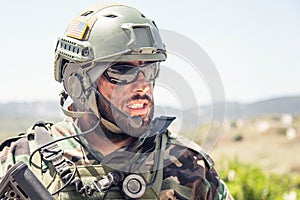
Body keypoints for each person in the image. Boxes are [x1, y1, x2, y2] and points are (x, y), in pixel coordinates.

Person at [0, 3, 232, 200]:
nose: (142, 85)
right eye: (122, 71)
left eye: (149, 69)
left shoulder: (190, 165)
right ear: (77, 83)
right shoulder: (21, 158)